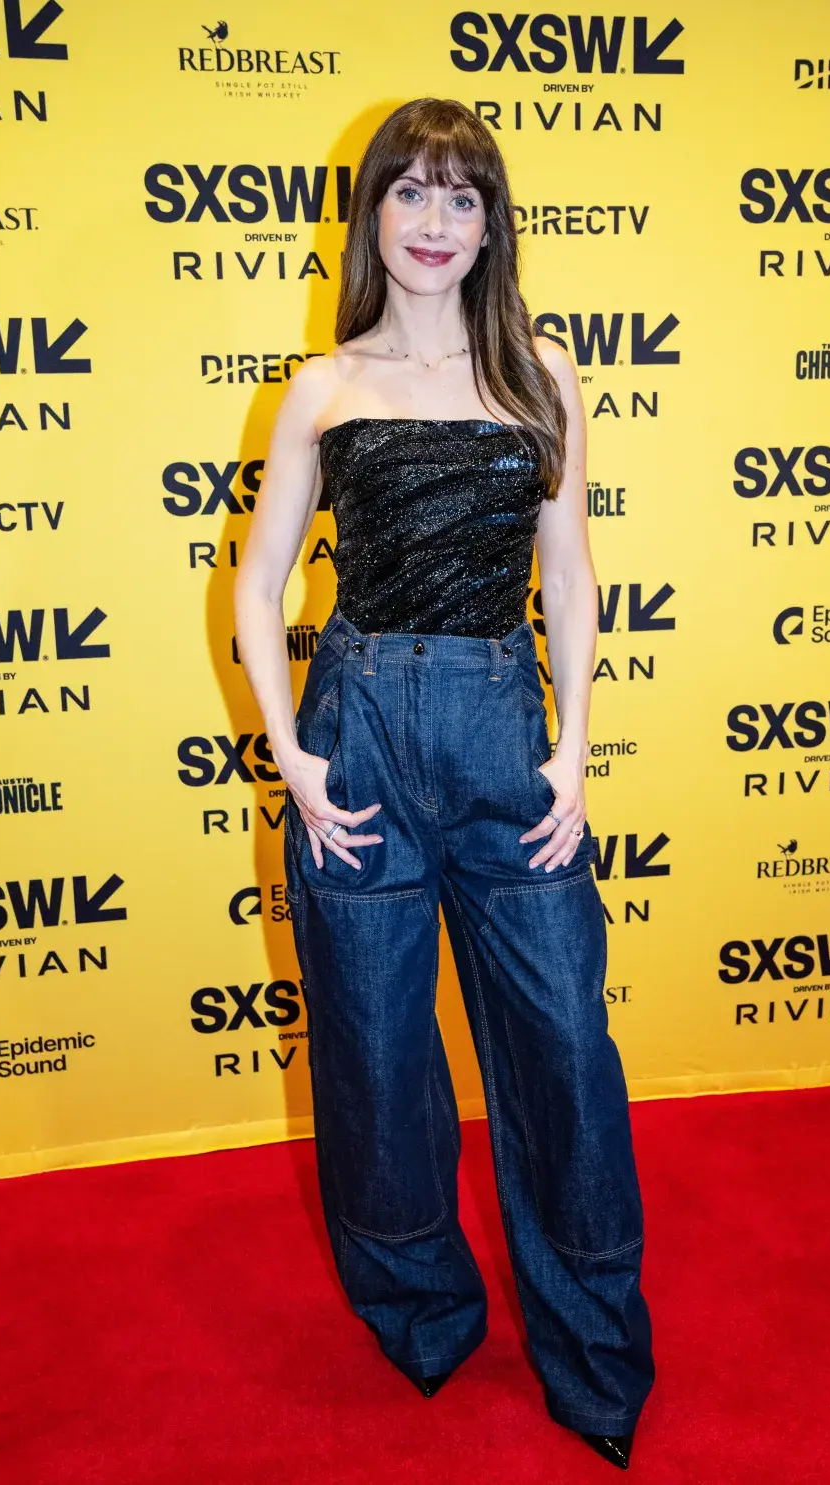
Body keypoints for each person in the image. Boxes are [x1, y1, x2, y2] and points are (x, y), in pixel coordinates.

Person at [233, 97, 655, 1470]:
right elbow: (254, 581)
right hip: (353, 731)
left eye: (460, 197)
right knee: (371, 1052)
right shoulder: (321, 385)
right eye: (406, 194)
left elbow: (570, 569)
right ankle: (419, 1312)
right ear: (369, 220)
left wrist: (576, 742)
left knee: (564, 1055)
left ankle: (593, 1351)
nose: (431, 222)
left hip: (500, 728)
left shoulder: (539, 372)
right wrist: (290, 751)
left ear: (492, 224)